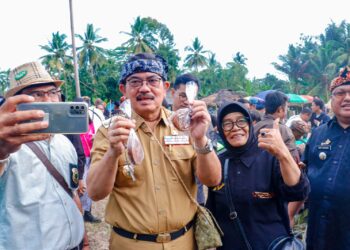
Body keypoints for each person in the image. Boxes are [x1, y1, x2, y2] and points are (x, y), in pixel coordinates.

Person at [87, 53, 221, 249]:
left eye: (152, 80)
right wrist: (113, 152)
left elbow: (213, 180)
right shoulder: (110, 131)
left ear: (165, 87)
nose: (144, 88)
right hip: (131, 244)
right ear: (123, 89)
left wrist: (200, 139)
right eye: (135, 81)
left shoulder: (184, 125)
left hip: (184, 242)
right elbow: (95, 193)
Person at [0, 62, 84, 250]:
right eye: (36, 94)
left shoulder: (64, 142)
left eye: (52, 92)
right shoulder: (7, 144)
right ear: (14, 103)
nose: (48, 100)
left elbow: (72, 193)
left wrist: (84, 241)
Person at [206, 102, 310, 249]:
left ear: (250, 124)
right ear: (221, 129)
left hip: (270, 244)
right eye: (227, 124)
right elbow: (212, 211)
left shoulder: (269, 156)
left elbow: (299, 192)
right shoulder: (219, 162)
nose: (235, 128)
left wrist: (283, 154)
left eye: (241, 121)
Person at [303, 66, 350, 249]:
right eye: (340, 93)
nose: (347, 98)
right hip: (318, 229)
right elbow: (303, 174)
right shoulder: (318, 134)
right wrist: (290, 216)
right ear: (331, 99)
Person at [171, 73, 205, 205]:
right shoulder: (161, 121)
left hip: (195, 198)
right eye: (183, 95)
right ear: (172, 92)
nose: (187, 101)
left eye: (191, 96)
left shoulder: (201, 121)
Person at [254, 91, 299, 162]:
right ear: (280, 110)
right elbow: (293, 159)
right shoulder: (283, 130)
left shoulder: (255, 126)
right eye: (286, 107)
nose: (287, 110)